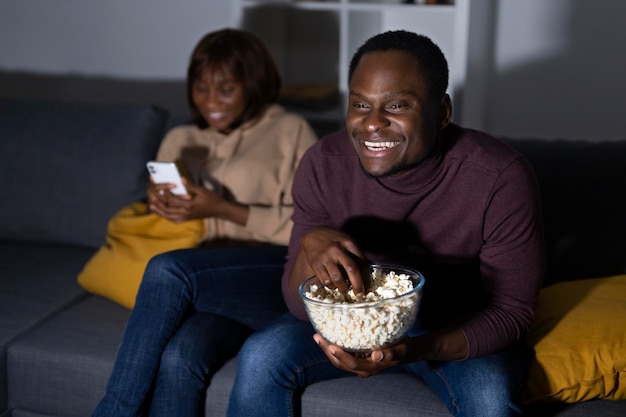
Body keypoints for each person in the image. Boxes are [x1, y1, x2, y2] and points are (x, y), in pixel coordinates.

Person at [225, 30, 546, 417]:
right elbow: (297, 306)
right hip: (349, 320)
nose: (372, 124)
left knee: (490, 400)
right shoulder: (322, 162)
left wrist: (414, 349)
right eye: (360, 104)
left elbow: (511, 312)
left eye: (396, 106)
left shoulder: (499, 177)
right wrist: (311, 245)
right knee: (261, 355)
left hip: (453, 329)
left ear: (442, 112)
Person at [91, 28, 317, 417]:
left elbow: (312, 228)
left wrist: (222, 209)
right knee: (179, 357)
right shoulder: (180, 138)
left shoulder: (290, 132)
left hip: (270, 270)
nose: (211, 102)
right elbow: (163, 220)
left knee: (167, 270)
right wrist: (161, 203)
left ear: (253, 84)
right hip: (204, 274)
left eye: (226, 89)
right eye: (200, 88)